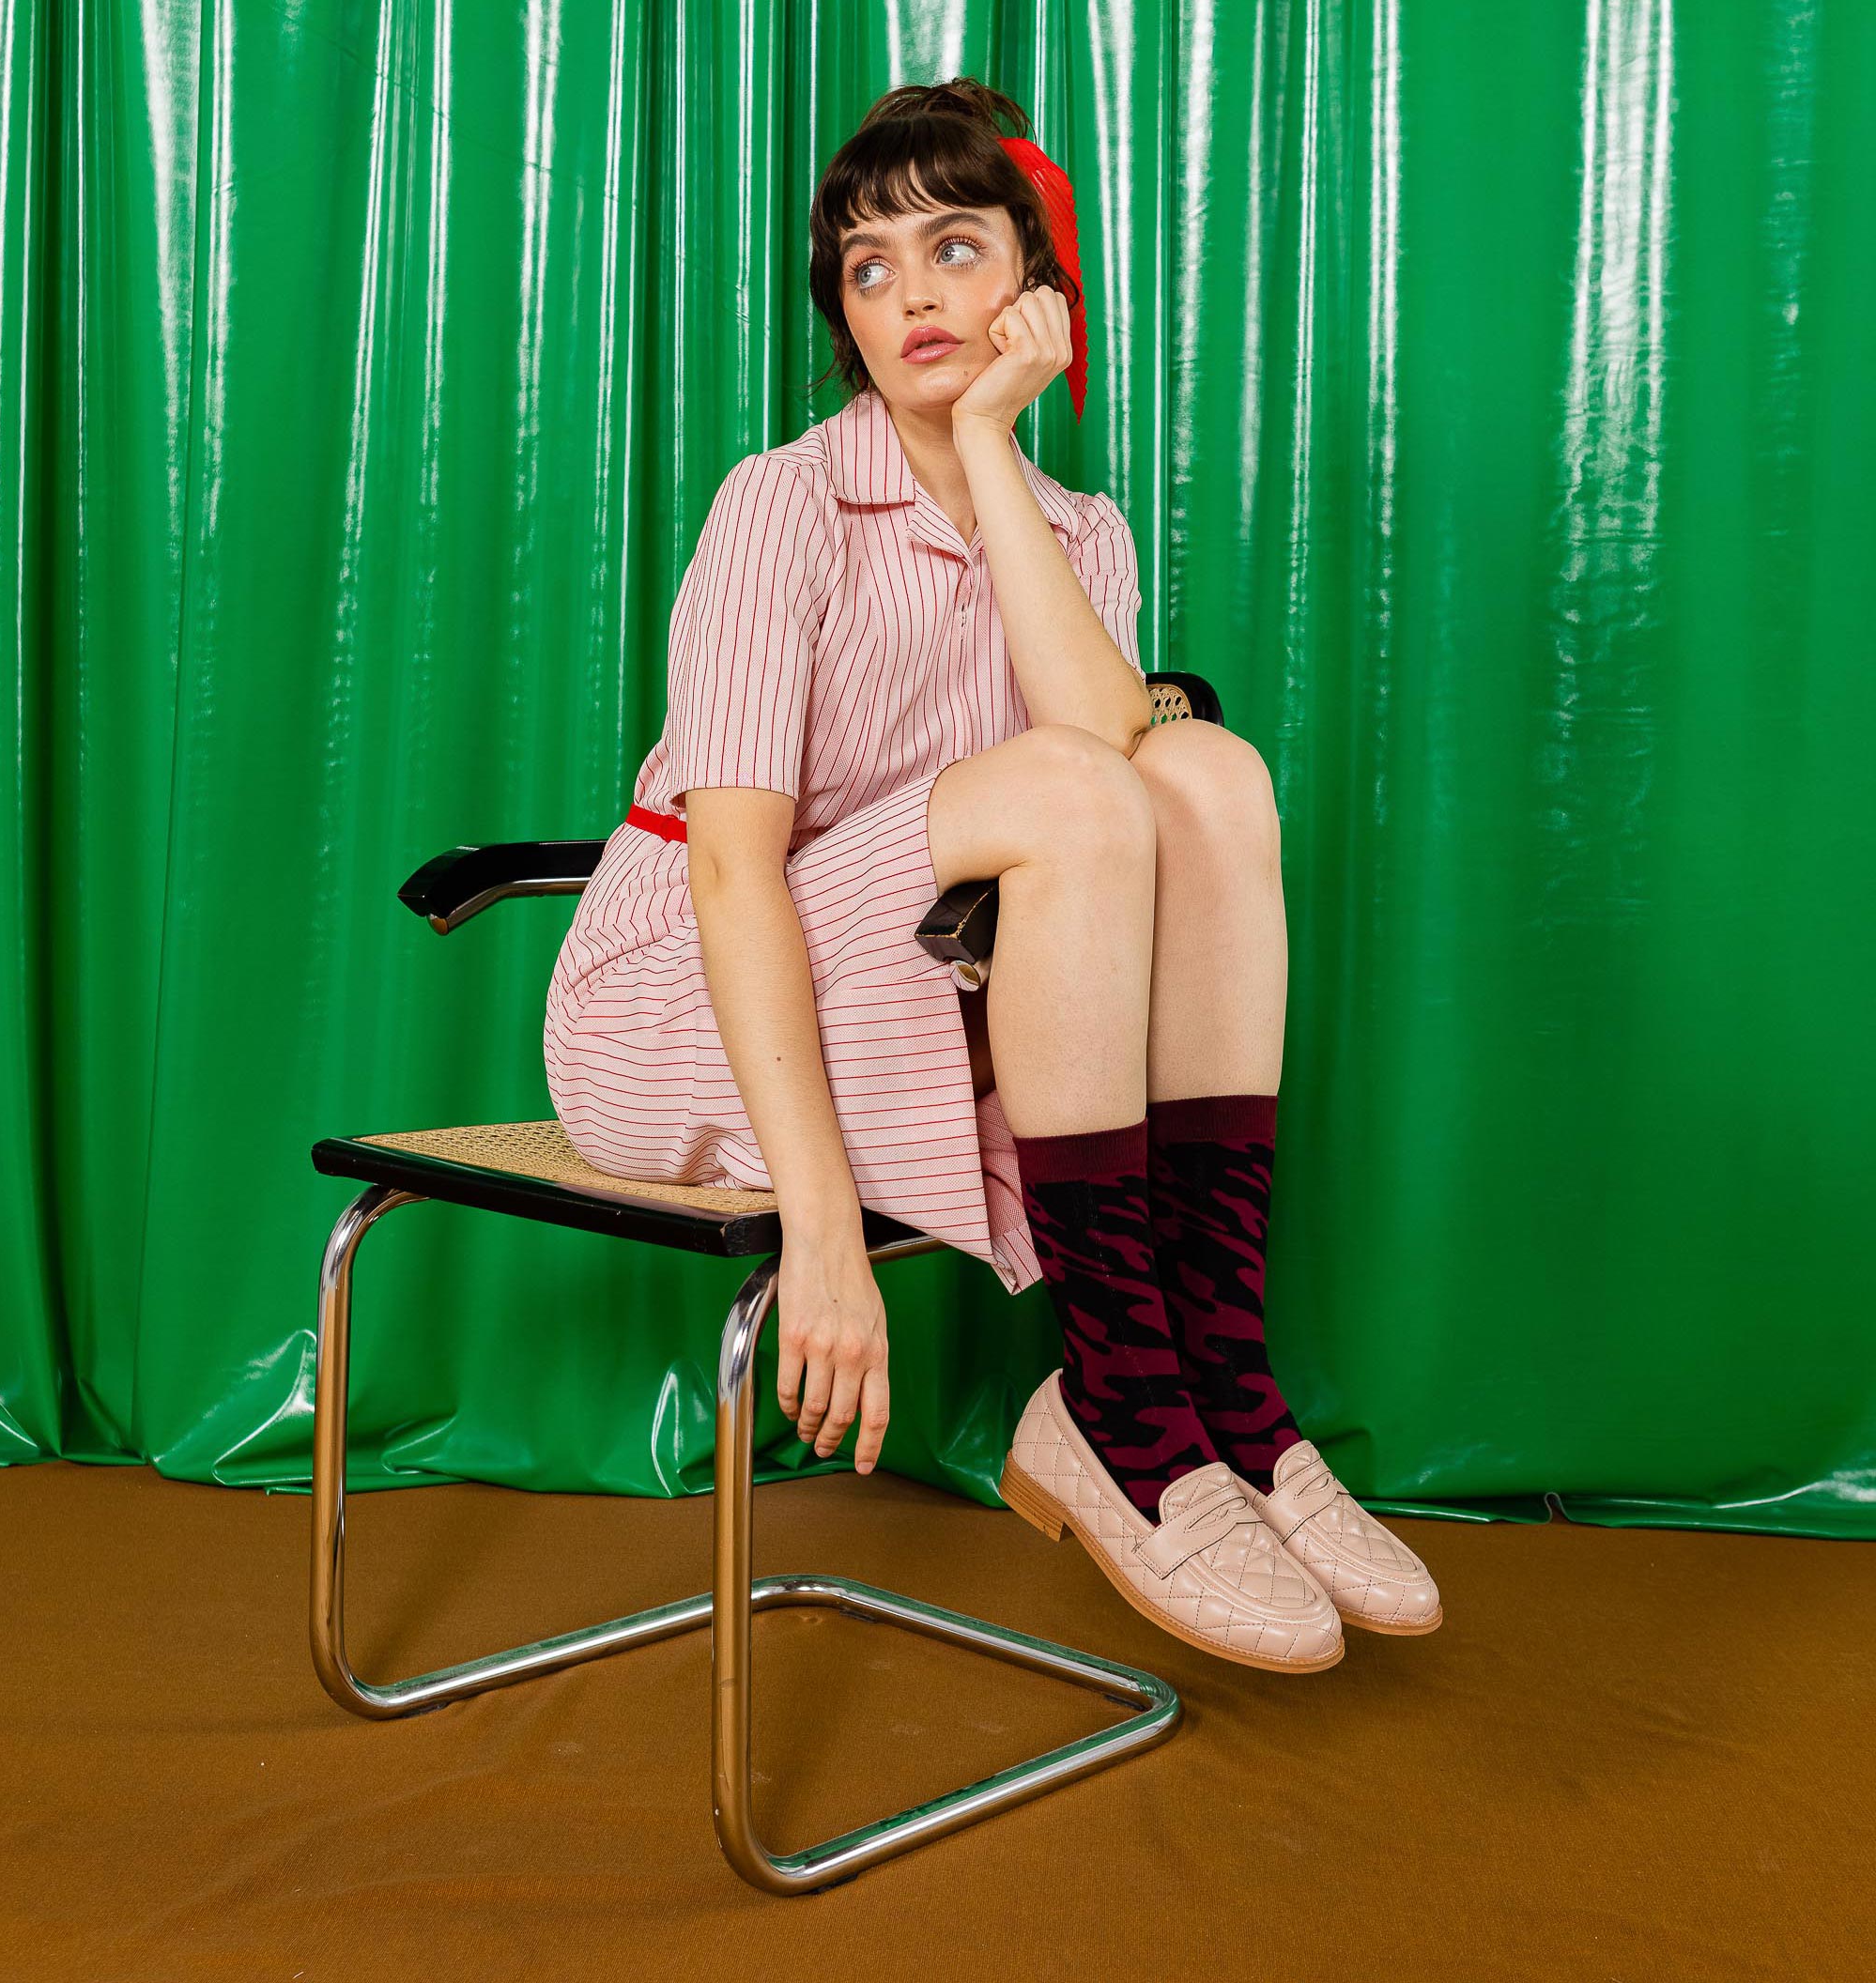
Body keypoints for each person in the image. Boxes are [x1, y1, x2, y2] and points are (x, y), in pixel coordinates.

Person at [546, 76, 1440, 1674]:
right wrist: (821, 1228)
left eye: (954, 249)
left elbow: (1114, 749)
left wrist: (987, 448)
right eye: (868, 269)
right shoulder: (782, 505)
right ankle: (1119, 1394)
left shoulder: (1078, 529)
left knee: (1208, 773)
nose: (908, 298)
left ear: (1036, 283)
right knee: (1087, 792)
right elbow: (739, 879)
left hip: (919, 978)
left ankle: (1212, 1387)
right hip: (685, 994)